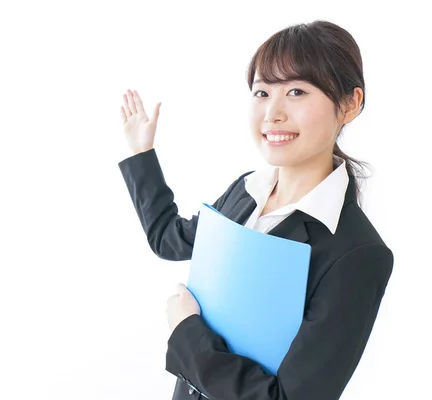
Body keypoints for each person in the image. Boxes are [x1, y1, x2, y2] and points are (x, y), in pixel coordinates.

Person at [117, 20, 393, 400]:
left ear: (350, 104)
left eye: (296, 91)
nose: (272, 113)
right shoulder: (248, 191)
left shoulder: (357, 254)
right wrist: (141, 154)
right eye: (262, 92)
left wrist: (187, 332)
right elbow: (170, 240)